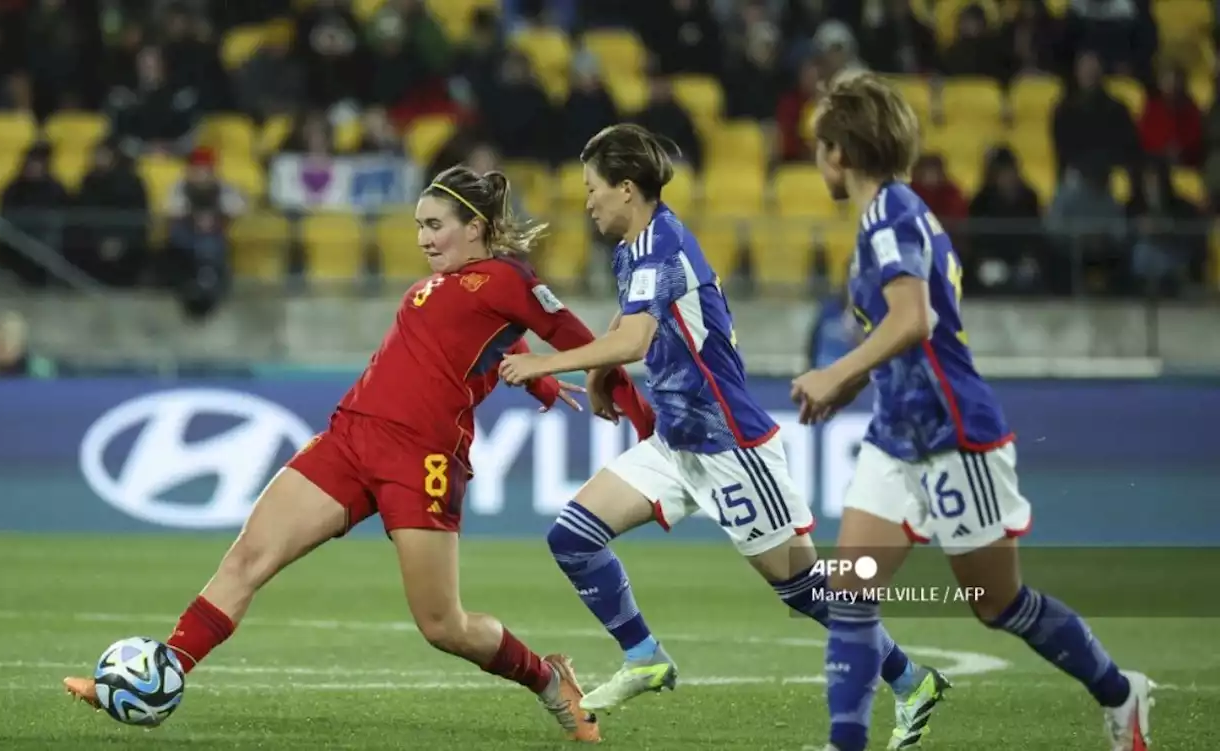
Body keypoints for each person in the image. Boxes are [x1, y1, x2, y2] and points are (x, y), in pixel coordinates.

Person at [63, 166, 662, 744]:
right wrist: (536, 381)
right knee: (247, 559)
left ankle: (548, 679)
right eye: (419, 227)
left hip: (422, 460)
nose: (424, 239)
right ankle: (153, 680)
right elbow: (479, 339)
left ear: (474, 226)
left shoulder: (509, 278)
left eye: (435, 226)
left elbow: (586, 342)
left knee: (442, 626)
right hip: (350, 437)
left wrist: (628, 409)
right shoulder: (441, 284)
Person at [498, 123, 946, 750]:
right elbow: (629, 323)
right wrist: (601, 372)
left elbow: (635, 339)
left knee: (805, 590)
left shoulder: (664, 244)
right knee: (573, 536)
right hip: (678, 443)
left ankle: (910, 680)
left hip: (732, 447)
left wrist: (544, 364)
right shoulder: (633, 247)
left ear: (627, 189)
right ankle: (645, 656)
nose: (588, 201)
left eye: (593, 188)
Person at [789, 72, 1154, 751]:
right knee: (850, 592)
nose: (818, 161)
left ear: (839, 151)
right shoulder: (889, 216)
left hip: (954, 435)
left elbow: (915, 317)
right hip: (897, 435)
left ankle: (1121, 691)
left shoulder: (891, 216)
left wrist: (835, 370)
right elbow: (904, 335)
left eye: (819, 148)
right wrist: (851, 387)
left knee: (998, 603)